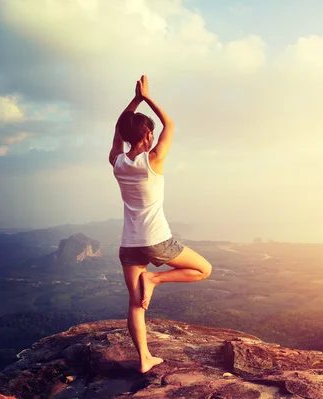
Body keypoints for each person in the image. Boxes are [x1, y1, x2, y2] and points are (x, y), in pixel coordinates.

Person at [109, 75, 212, 373]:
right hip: (157, 241)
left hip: (129, 244)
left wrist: (135, 101)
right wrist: (148, 97)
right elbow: (171, 125)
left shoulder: (116, 161)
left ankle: (144, 359)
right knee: (204, 269)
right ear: (149, 136)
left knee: (133, 303)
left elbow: (119, 126)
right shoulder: (154, 160)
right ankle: (155, 280)